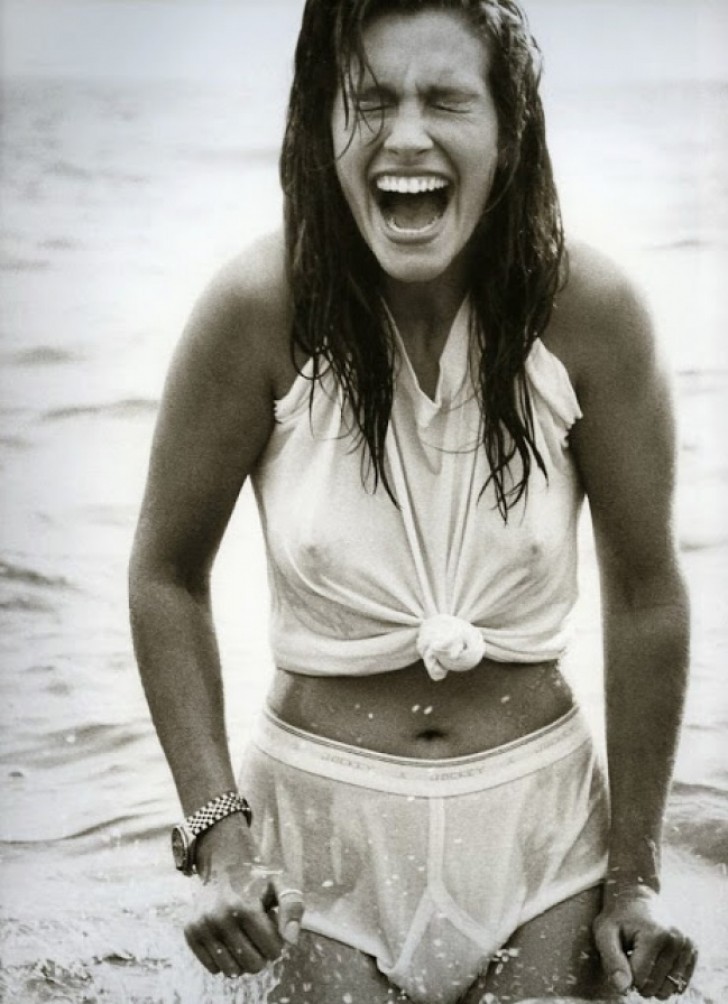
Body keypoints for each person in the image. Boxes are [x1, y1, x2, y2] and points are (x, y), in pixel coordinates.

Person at [129, 1, 698, 1000]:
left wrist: (635, 876)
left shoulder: (590, 315)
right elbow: (165, 575)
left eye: (444, 99)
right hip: (317, 847)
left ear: (507, 130)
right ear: (321, 126)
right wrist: (221, 836)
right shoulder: (258, 309)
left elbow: (646, 594)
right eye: (368, 101)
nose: (404, 135)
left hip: (540, 843)